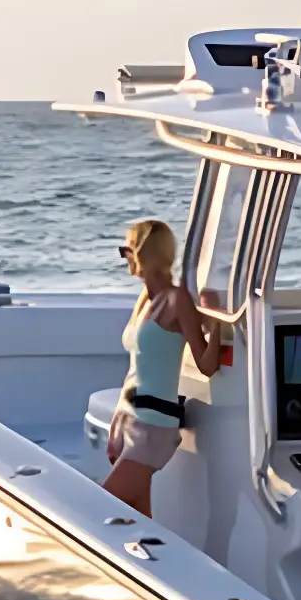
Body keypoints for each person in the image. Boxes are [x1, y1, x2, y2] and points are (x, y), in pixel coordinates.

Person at [104, 218, 223, 513]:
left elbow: (207, 364)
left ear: (144, 253)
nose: (124, 257)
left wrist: (218, 321)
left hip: (154, 429)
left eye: (127, 250)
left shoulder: (176, 300)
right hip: (131, 420)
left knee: (102, 509)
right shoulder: (145, 298)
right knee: (136, 521)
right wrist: (116, 424)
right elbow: (135, 369)